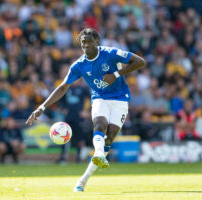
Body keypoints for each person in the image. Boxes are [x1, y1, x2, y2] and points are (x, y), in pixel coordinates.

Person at [25, 28, 145, 192]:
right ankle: (98, 156)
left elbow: (140, 61)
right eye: (83, 43)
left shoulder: (110, 53)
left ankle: (84, 179)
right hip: (99, 97)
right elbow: (62, 87)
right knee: (99, 124)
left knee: (109, 139)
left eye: (89, 42)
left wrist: (116, 74)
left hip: (120, 98)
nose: (86, 46)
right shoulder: (79, 65)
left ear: (97, 42)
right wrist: (42, 107)